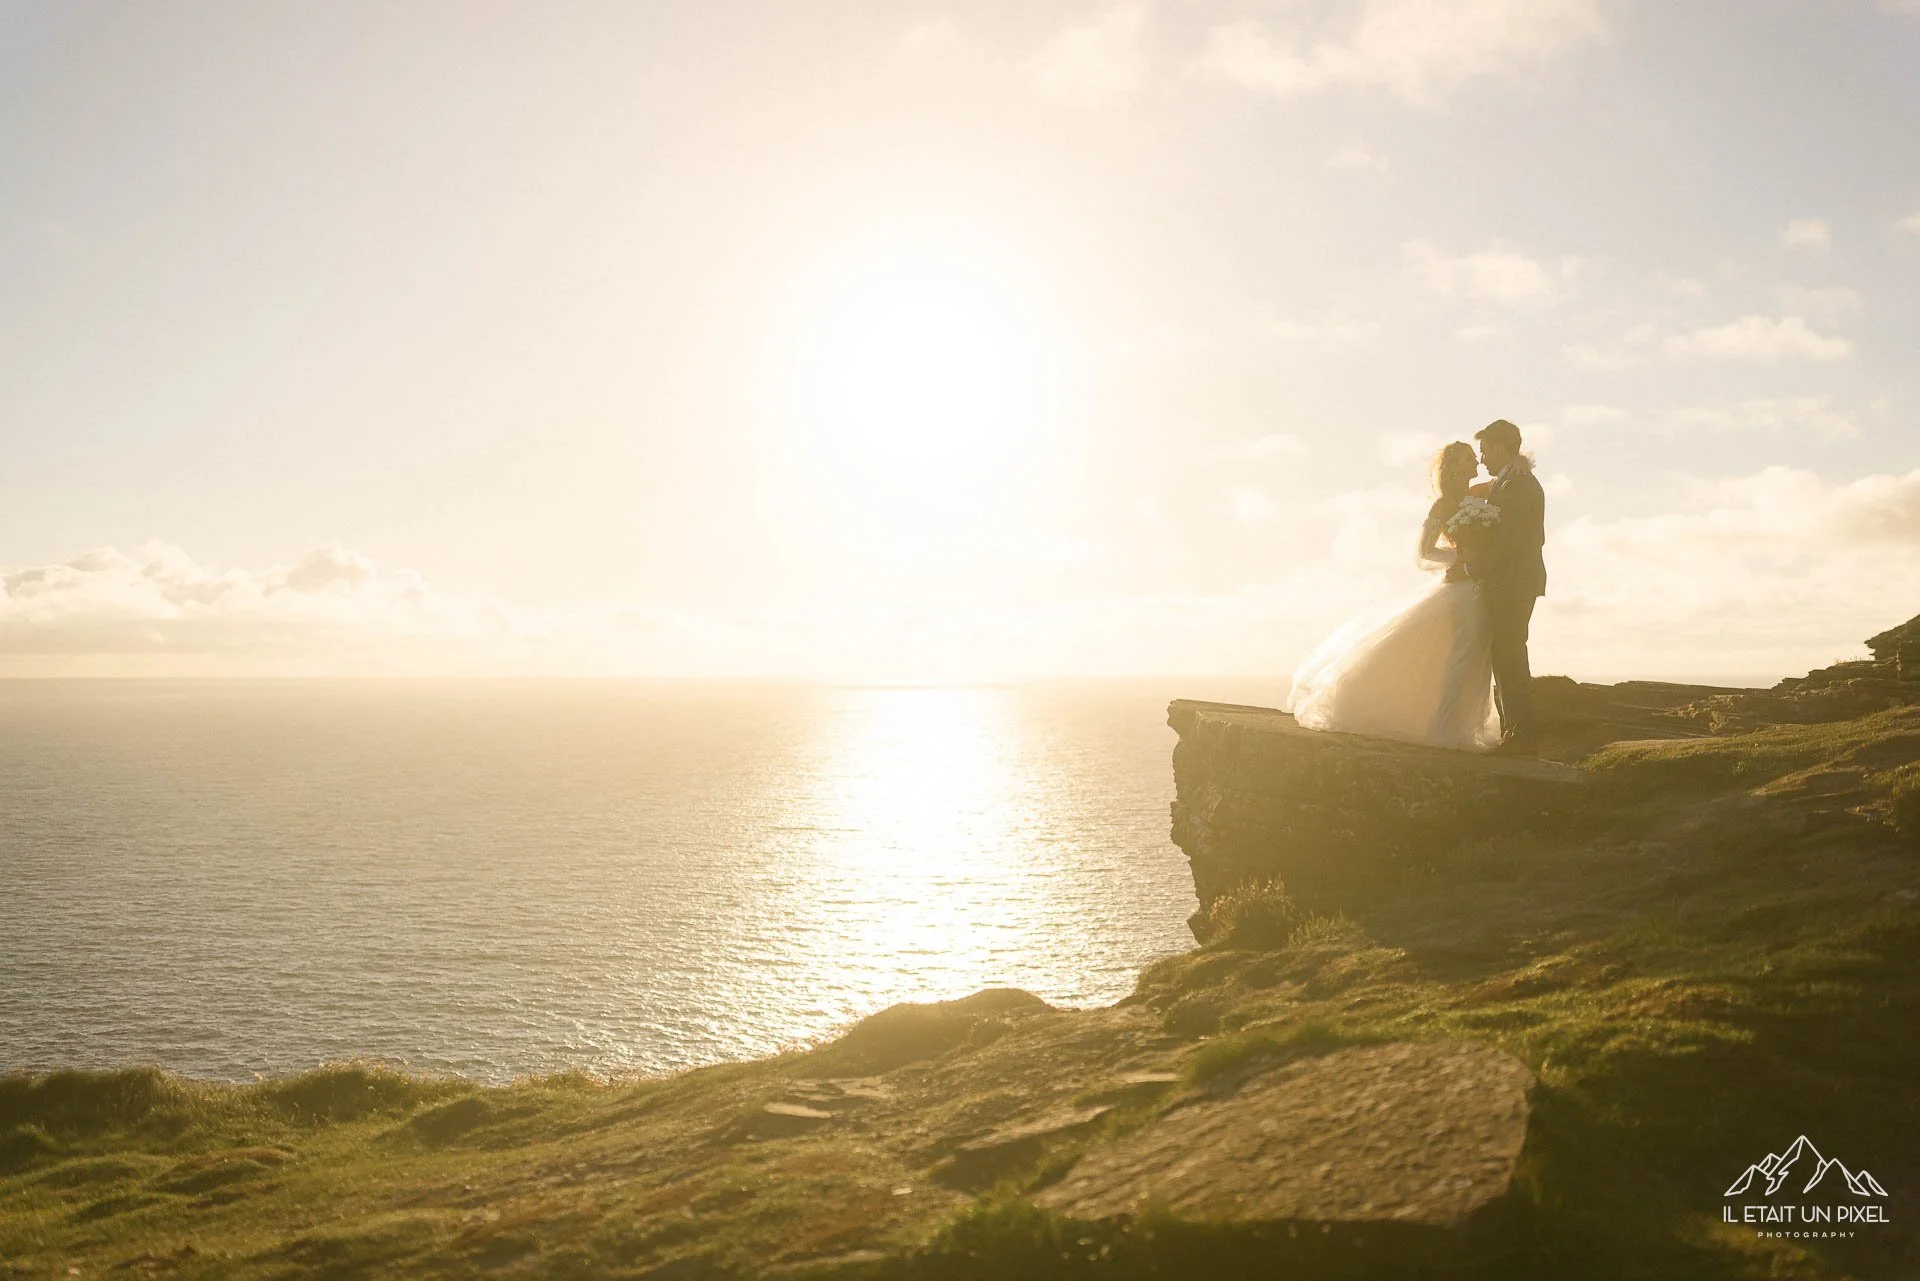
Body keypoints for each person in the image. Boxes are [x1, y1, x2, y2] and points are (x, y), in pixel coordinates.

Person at [1283, 441, 1501, 751]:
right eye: (1469, 458)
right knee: (1461, 656)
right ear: (1454, 467)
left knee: (1471, 657)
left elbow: (1506, 476)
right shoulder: (1442, 506)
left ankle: (1455, 724)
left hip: (1481, 587)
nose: (1476, 461)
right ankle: (1445, 727)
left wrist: (1519, 459)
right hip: (1460, 588)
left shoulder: (1480, 496)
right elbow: (1423, 553)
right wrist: (1461, 560)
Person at [1452, 419, 1546, 756]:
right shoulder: (1510, 480)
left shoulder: (1519, 484)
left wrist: (1474, 567)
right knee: (1505, 653)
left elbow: (1510, 541)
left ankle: (1520, 734)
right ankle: (1514, 730)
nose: (1483, 459)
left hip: (1514, 582)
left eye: (1484, 451)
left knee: (1510, 654)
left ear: (1498, 447)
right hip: (1510, 581)